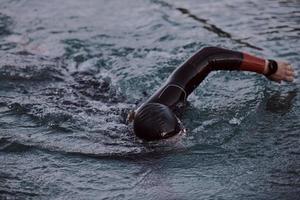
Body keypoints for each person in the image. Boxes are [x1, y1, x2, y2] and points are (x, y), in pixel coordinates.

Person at [128, 46, 296, 141]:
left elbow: (208, 56)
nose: (184, 137)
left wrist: (269, 67)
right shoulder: (146, 157)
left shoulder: (168, 99)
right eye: (176, 139)